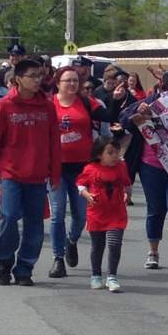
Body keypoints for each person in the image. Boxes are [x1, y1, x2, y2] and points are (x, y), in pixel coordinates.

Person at [0, 57, 63, 286]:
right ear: (18, 79)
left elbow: (54, 142)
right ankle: (4, 261)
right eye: (32, 76)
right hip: (11, 174)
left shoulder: (47, 106)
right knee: (8, 216)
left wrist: (54, 174)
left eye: (40, 76)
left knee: (34, 224)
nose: (38, 80)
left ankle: (24, 268)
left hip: (37, 176)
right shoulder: (5, 105)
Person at [121, 70, 168, 275]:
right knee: (156, 209)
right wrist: (139, 112)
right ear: (166, 85)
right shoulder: (149, 101)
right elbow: (123, 119)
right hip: (151, 165)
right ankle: (153, 252)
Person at [47, 67, 115, 278]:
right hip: (56, 167)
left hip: (81, 169)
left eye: (75, 81)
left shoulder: (86, 103)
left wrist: (117, 100)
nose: (73, 84)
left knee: (80, 216)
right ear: (58, 83)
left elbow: (109, 116)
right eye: (68, 80)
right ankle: (58, 258)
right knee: (57, 215)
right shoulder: (50, 104)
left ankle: (71, 240)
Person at [77, 134, 133, 293]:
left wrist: (128, 194)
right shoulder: (90, 169)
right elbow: (80, 184)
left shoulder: (121, 167)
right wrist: (86, 194)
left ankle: (112, 277)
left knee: (114, 244)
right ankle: (96, 275)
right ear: (99, 154)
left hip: (116, 212)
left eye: (117, 152)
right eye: (110, 153)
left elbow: (126, 182)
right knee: (98, 246)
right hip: (97, 213)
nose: (115, 156)